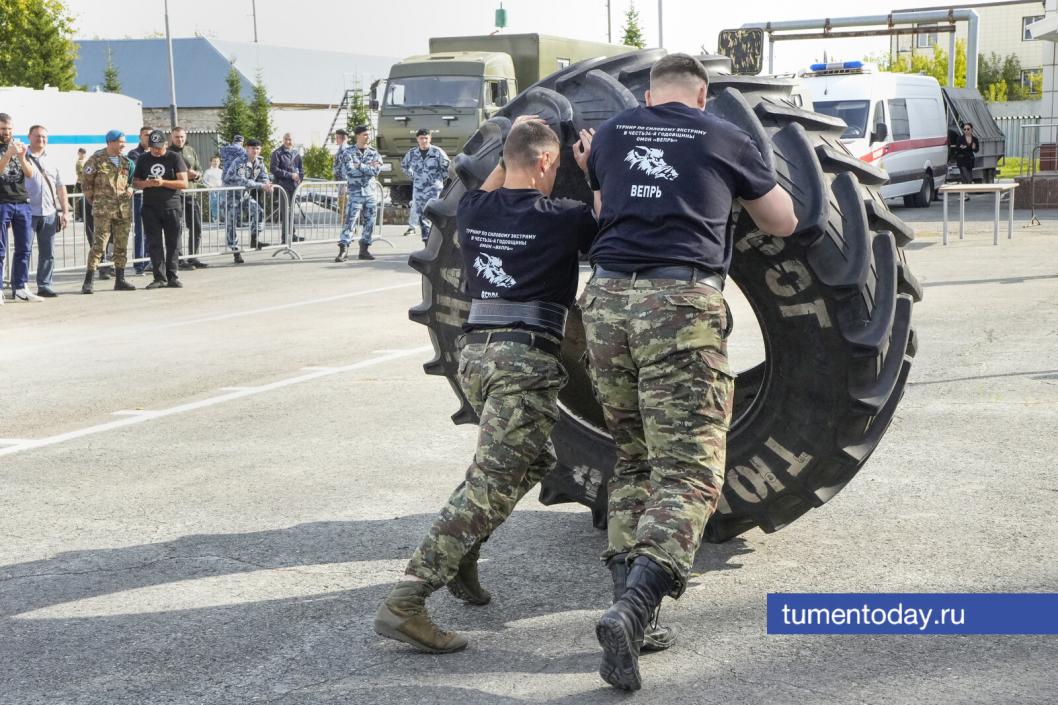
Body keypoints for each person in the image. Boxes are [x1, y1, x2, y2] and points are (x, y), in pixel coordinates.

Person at [581, 54, 797, 691]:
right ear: (701, 97)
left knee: (634, 456)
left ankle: (630, 614)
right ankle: (634, 607)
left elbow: (600, 210)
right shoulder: (724, 137)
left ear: (649, 94)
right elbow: (780, 221)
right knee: (692, 470)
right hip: (679, 305)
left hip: (606, 301)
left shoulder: (616, 132)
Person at [374, 116, 598, 653]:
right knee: (493, 481)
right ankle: (407, 599)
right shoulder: (564, 218)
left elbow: (493, 181)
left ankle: (464, 551)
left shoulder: (475, 209)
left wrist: (509, 147)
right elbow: (608, 222)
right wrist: (593, 169)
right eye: (556, 164)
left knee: (534, 461)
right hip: (524, 359)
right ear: (546, 162)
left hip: (477, 355)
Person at [80, 130, 136, 294]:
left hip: (122, 210)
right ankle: (88, 281)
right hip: (103, 211)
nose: (123, 145)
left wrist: (131, 189)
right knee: (98, 246)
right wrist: (97, 201)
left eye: (124, 142)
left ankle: (120, 280)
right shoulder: (96, 160)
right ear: (110, 142)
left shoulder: (126, 162)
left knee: (121, 246)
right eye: (120, 141)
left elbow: (130, 181)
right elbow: (86, 185)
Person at [132, 129, 188, 289]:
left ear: (165, 143)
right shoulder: (143, 159)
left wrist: (163, 183)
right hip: (150, 208)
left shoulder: (174, 157)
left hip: (172, 206)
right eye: (152, 147)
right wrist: (147, 184)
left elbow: (183, 183)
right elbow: (135, 182)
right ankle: (159, 277)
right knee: (154, 244)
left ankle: (173, 275)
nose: (155, 150)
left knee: (173, 243)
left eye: (158, 147)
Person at [24, 125, 70, 299]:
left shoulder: (53, 161)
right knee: (24, 251)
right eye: (37, 136)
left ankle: (45, 285)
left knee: (48, 253)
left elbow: (60, 187)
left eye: (44, 137)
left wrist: (65, 211)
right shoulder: (20, 157)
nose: (41, 140)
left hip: (49, 213)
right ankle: (20, 286)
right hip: (27, 212)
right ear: (29, 137)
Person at [0, 112, 38, 304]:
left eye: (8, 129)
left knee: (24, 248)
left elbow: (30, 173)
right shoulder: (6, 149)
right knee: (0, 250)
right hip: (1, 202)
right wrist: (7, 154)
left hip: (22, 202)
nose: (6, 133)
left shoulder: (19, 146)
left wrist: (22, 156)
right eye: (2, 129)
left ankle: (20, 287)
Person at [223, 138, 273, 264]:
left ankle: (254, 239)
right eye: (252, 148)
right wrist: (260, 186)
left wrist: (267, 183)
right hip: (231, 195)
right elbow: (242, 180)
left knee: (258, 211)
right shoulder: (240, 161)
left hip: (244, 194)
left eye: (257, 148)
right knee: (232, 223)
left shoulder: (259, 162)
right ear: (247, 149)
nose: (255, 151)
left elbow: (264, 176)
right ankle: (235, 251)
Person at [335, 124, 380, 262]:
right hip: (355, 193)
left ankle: (364, 249)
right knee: (350, 221)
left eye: (368, 134)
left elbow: (376, 171)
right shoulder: (348, 152)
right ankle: (344, 249)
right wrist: (367, 168)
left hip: (370, 192)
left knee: (370, 222)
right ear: (358, 136)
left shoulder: (373, 152)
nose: (368, 137)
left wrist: (360, 165)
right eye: (365, 135)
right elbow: (349, 171)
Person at [168, 126, 208, 269]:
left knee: (196, 227)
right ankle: (179, 259)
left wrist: (196, 175)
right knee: (176, 228)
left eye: (182, 137)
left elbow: (200, 170)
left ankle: (193, 257)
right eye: (177, 137)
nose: (180, 140)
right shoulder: (168, 153)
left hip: (191, 194)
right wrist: (184, 175)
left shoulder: (190, 150)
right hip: (175, 196)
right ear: (172, 138)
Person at [400, 128, 450, 242]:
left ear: (430, 138)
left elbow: (446, 167)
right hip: (419, 188)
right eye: (421, 138)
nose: (424, 141)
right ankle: (426, 240)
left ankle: (436, 238)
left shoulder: (437, 152)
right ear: (417, 139)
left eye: (426, 138)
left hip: (434, 188)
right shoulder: (412, 153)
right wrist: (413, 176)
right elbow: (404, 166)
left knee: (433, 211)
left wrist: (441, 179)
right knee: (421, 213)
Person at [127, 126, 153, 275]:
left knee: (152, 230)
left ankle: (149, 259)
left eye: (151, 135)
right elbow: (138, 173)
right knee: (140, 231)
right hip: (140, 197)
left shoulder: (157, 153)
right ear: (140, 137)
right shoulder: (135, 154)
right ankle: (139, 263)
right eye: (145, 135)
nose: (148, 138)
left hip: (153, 197)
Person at [269, 132, 304, 243]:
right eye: (286, 139)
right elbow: (274, 169)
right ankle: (285, 238)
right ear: (283, 140)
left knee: (292, 212)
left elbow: (301, 169)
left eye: (290, 139)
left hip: (294, 186)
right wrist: (290, 175)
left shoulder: (296, 153)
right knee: (285, 212)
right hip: (283, 186)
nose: (288, 142)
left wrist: (299, 179)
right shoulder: (277, 153)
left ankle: (292, 235)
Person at [955, 122, 980, 201]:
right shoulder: (960, 138)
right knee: (966, 176)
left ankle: (965, 194)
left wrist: (973, 148)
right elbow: (958, 149)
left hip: (970, 160)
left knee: (966, 178)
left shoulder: (975, 139)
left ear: (971, 130)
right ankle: (964, 194)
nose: (966, 130)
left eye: (968, 129)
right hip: (961, 160)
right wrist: (964, 147)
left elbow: (976, 150)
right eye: (964, 129)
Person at [333, 129, 351, 223]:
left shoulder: (344, 150)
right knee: (344, 211)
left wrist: (344, 184)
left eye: (336, 138)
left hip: (344, 185)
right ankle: (348, 232)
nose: (335, 140)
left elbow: (346, 169)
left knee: (345, 211)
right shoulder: (343, 149)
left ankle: (347, 233)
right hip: (342, 185)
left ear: (340, 138)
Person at [203, 155, 223, 221]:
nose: (215, 163)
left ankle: (222, 219)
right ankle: (215, 219)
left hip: (221, 190)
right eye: (214, 161)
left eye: (217, 161)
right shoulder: (208, 171)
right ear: (210, 162)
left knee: (222, 204)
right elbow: (204, 181)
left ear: (219, 162)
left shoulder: (221, 171)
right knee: (214, 205)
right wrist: (209, 186)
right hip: (212, 190)